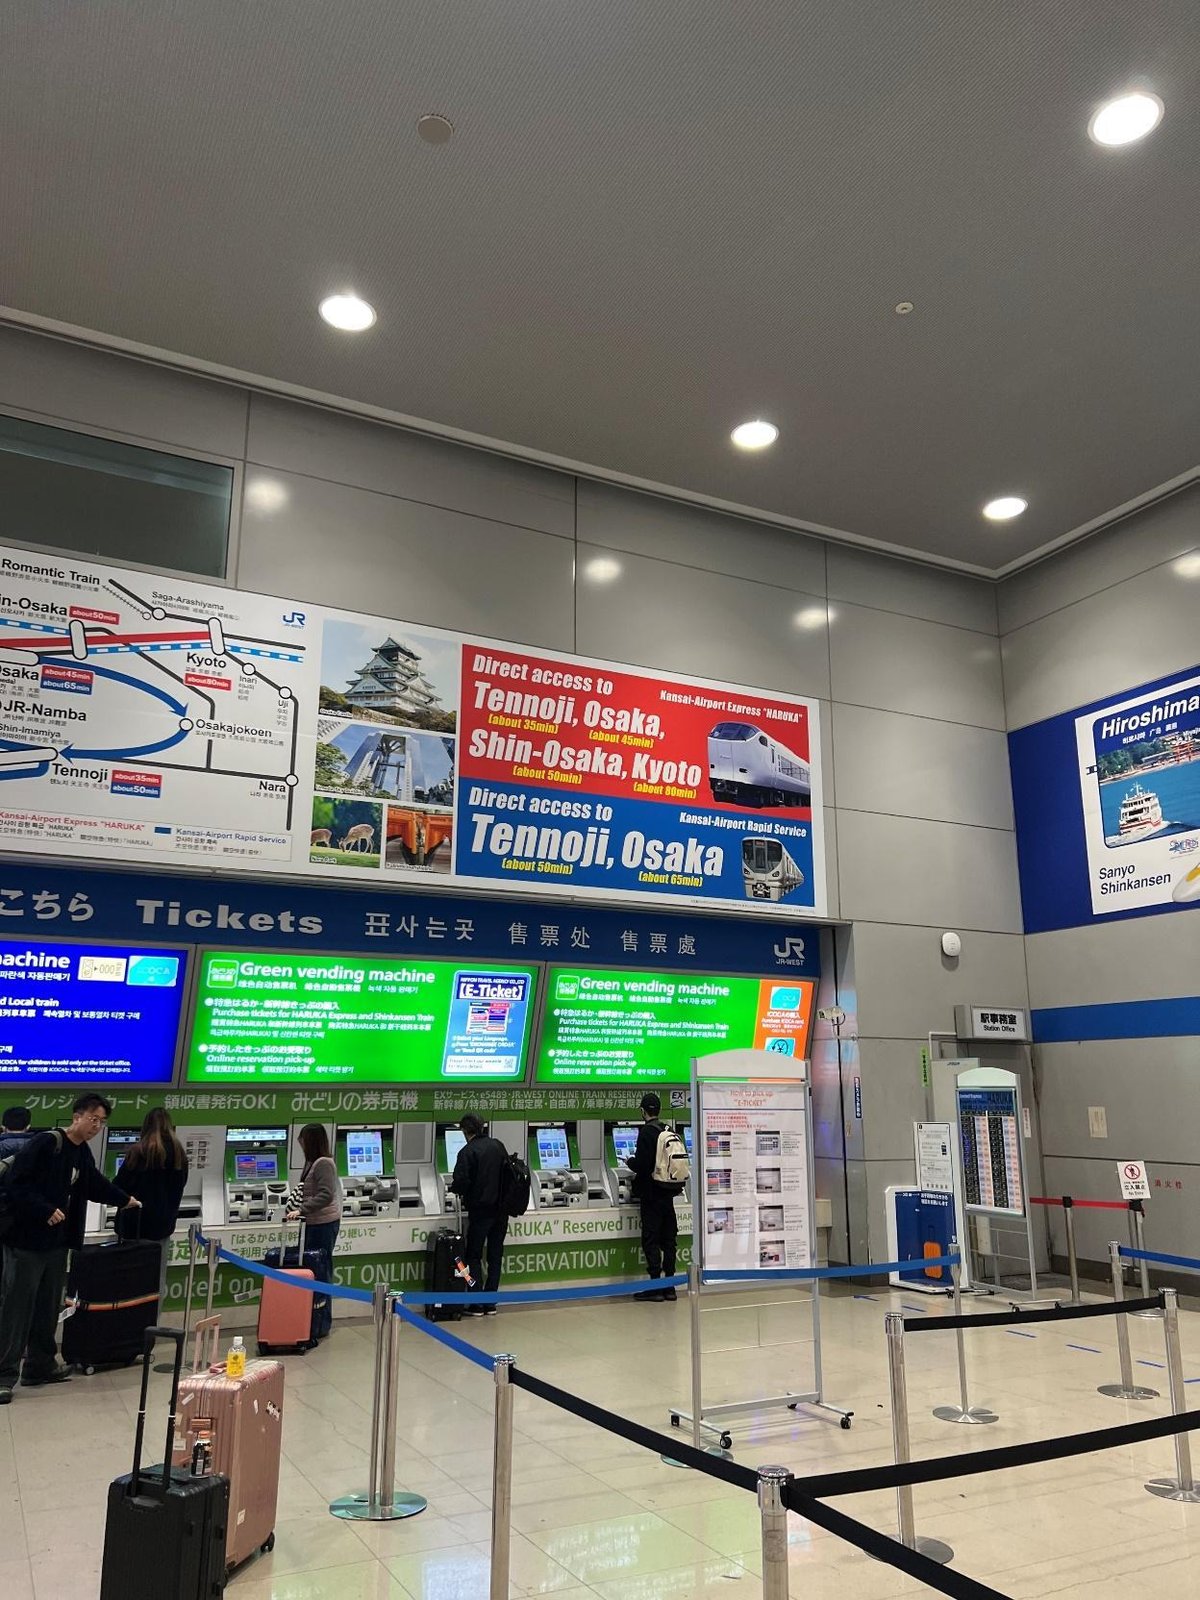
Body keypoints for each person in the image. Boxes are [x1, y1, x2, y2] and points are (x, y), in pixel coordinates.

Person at [0, 1093, 140, 1404]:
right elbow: (16, 1185)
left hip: (56, 1244)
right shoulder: (47, 1143)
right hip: (26, 1242)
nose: (96, 1126)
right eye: (94, 1119)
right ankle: (4, 1375)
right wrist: (43, 1209)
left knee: (47, 1308)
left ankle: (40, 1365)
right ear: (77, 1116)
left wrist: (124, 1199)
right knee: (16, 1309)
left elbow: (93, 1184)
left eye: (102, 1122)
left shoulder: (82, 1153)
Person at [113, 1107, 189, 1299]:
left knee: (130, 1281)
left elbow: (118, 1187)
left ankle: (130, 1324)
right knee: (157, 1282)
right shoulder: (180, 1154)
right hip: (162, 1228)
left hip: (134, 1228)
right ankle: (152, 1324)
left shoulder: (137, 1152)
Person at [285, 1124, 343, 1339]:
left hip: (324, 1224)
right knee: (314, 1270)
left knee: (321, 1270)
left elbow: (326, 1194)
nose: (300, 1144)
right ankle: (312, 1320)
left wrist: (302, 1209)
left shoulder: (323, 1163)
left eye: (302, 1140)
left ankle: (322, 1322)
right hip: (314, 1222)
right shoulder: (313, 1162)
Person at [448, 1113, 507, 1316]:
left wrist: (454, 1188)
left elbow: (460, 1183)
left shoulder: (467, 1151)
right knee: (495, 1255)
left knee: (473, 1256)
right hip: (501, 1212)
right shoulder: (498, 1146)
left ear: (465, 1131)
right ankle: (490, 1303)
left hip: (480, 1212)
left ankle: (476, 1302)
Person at [625, 1092, 680, 1301]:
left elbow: (642, 1164)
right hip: (668, 1194)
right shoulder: (668, 1129)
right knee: (669, 1241)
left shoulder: (646, 1132)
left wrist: (629, 1161)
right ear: (658, 1110)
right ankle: (670, 1287)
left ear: (642, 1111)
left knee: (651, 1240)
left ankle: (655, 1288)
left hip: (651, 1196)